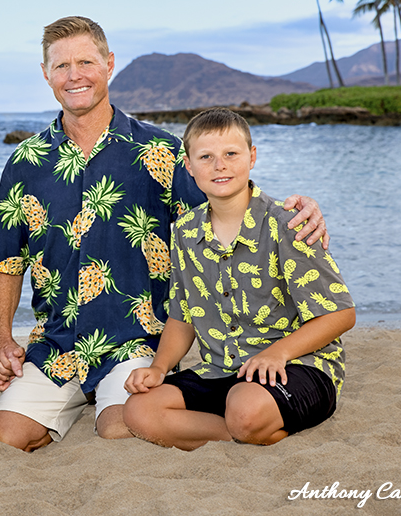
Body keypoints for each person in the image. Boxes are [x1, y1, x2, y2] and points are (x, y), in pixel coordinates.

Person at [0, 16, 329, 451]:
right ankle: (76, 399)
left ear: (109, 64)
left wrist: (297, 210)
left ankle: (116, 404)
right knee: (6, 435)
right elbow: (6, 260)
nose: (75, 75)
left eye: (86, 62)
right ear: (45, 74)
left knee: (118, 429)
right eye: (61, 66)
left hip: (136, 338)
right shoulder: (26, 162)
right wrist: (1, 339)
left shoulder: (159, 152)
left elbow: (224, 199)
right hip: (56, 343)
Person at [123, 107, 355, 449]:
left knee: (245, 409)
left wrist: (277, 353)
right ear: (189, 166)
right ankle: (234, 434)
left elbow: (340, 313)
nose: (220, 165)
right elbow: (182, 314)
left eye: (231, 154)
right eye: (206, 157)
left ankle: (245, 424)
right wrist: (159, 368)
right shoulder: (185, 232)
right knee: (139, 411)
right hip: (223, 370)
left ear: (252, 157)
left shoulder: (287, 224)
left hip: (297, 364)